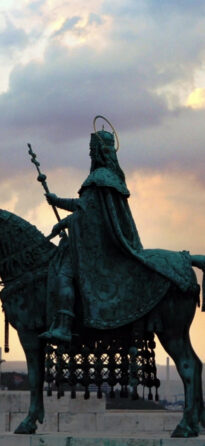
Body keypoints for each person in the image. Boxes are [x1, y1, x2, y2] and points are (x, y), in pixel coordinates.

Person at [40, 120, 196, 343]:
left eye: (91, 151)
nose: (90, 155)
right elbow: (89, 210)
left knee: (64, 274)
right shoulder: (112, 179)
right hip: (107, 242)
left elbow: (87, 213)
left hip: (99, 249)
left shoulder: (99, 178)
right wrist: (60, 205)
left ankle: (64, 326)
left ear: (98, 152)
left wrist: (65, 219)